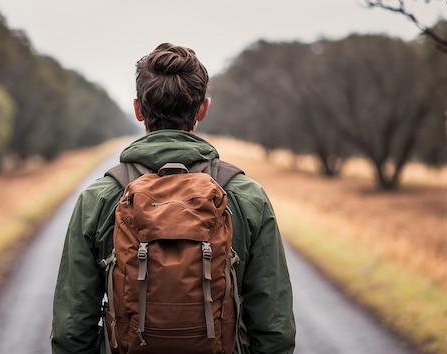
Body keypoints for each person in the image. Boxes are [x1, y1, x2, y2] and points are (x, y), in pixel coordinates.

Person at [51, 42, 296, 354]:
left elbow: (72, 330)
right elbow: (274, 329)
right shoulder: (246, 196)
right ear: (203, 109)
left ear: (138, 109)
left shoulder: (99, 198)